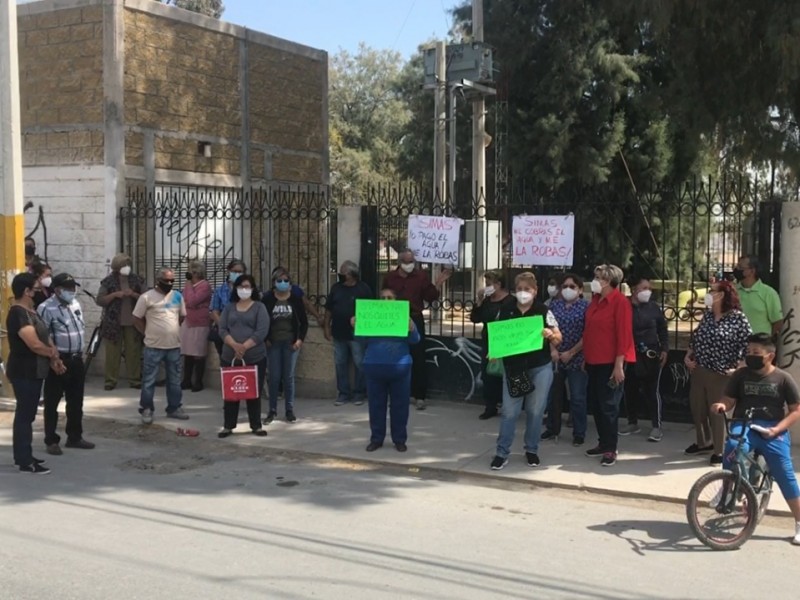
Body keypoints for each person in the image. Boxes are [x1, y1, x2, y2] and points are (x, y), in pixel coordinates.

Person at [711, 333, 800, 545]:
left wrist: (778, 429)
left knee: (784, 472)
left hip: (772, 429)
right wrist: (722, 405)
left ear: (770, 355)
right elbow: (729, 399)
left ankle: (798, 521)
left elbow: (796, 410)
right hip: (745, 424)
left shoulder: (783, 378)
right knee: (732, 446)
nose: (750, 356)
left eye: (756, 353)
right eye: (749, 352)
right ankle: (727, 489)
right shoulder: (741, 375)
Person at [489, 272, 562, 470]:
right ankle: (502, 452)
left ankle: (531, 450)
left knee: (535, 411)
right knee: (509, 412)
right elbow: (497, 335)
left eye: (527, 289)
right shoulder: (506, 309)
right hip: (514, 368)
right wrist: (494, 352)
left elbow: (558, 337)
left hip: (540, 367)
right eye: (519, 289)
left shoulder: (543, 310)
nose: (523, 293)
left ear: (535, 291)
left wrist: (550, 335)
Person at [684, 280, 751, 465]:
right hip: (700, 369)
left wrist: (739, 367)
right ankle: (703, 442)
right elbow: (697, 337)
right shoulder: (707, 315)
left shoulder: (738, 318)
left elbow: (748, 344)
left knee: (718, 412)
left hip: (722, 374)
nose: (708, 293)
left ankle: (719, 450)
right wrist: (689, 354)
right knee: (698, 408)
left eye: (712, 291)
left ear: (722, 295)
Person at [5, 272, 63, 474]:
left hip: (36, 370)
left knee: (28, 414)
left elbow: (44, 338)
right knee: (25, 414)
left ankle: (24, 454)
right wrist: (50, 353)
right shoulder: (18, 313)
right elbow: (34, 344)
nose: (39, 292)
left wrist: (54, 357)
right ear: (26, 292)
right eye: (36, 290)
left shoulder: (31, 312)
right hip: (24, 371)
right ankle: (23, 459)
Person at [382, 249, 452, 410]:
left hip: (414, 318)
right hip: (395, 318)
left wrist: (438, 284)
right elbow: (383, 296)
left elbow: (430, 296)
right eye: (406, 261)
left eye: (412, 261)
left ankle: (419, 395)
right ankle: (397, 394)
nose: (409, 264)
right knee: (395, 356)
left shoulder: (420, 276)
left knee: (418, 356)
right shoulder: (390, 278)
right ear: (400, 263)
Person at [582, 264, 636, 467]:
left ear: (608, 281)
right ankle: (602, 443)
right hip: (594, 360)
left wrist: (619, 364)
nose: (594, 280)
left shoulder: (620, 302)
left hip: (611, 362)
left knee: (609, 406)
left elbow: (623, 335)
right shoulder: (596, 300)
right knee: (596, 404)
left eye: (598, 277)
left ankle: (611, 448)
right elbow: (589, 331)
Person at [37, 273, 95, 456]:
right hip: (58, 360)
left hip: (76, 359)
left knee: (76, 401)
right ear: (57, 290)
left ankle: (75, 436)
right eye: (67, 288)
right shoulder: (46, 308)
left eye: (73, 288)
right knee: (52, 402)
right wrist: (54, 359)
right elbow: (44, 336)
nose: (72, 291)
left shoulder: (75, 304)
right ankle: (51, 440)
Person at [358, 287, 421, 452]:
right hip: (374, 367)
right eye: (383, 298)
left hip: (400, 368)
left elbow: (416, 340)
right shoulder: (372, 316)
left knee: (400, 406)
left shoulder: (404, 318)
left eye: (390, 298)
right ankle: (376, 439)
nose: (386, 301)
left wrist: (412, 328)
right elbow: (360, 338)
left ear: (396, 300)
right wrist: (356, 324)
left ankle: (399, 439)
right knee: (376, 406)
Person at [132, 267, 188, 424]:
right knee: (149, 380)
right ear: (158, 281)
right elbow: (136, 318)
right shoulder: (146, 298)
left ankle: (174, 407)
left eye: (172, 281)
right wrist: (147, 333)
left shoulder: (177, 296)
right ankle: (147, 408)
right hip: (153, 346)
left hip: (173, 346)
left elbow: (182, 317)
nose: (169, 283)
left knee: (175, 380)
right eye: (166, 281)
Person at [218, 274, 270, 438]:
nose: (244, 290)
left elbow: (261, 331)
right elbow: (222, 329)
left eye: (247, 287)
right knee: (231, 392)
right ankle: (228, 426)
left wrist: (244, 347)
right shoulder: (229, 307)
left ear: (253, 289)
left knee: (253, 391)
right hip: (230, 357)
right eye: (241, 287)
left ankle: (256, 425)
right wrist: (234, 345)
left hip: (254, 357)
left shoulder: (259, 307)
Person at [619, 276, 669, 442]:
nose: (647, 291)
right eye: (643, 288)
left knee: (652, 391)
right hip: (630, 354)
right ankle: (632, 422)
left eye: (649, 288)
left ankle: (656, 426)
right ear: (634, 289)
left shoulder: (653, 307)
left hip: (650, 353)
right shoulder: (625, 306)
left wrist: (664, 349)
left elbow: (662, 329)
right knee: (630, 389)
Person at [542, 272, 589, 446]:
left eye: (572, 287)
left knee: (577, 397)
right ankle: (552, 428)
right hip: (556, 357)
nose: (568, 290)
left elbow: (588, 334)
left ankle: (579, 433)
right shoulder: (554, 306)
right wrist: (553, 349)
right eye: (565, 287)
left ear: (580, 289)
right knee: (554, 396)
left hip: (577, 358)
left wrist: (572, 352)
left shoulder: (586, 307)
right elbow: (548, 329)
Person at [323, 260, 373, 406]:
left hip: (357, 333)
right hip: (339, 332)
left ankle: (359, 393)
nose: (340, 275)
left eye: (343, 273)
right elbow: (329, 309)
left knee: (359, 363)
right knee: (340, 363)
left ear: (351, 275)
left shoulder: (363, 289)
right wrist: (327, 327)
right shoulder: (336, 288)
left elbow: (370, 310)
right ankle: (343, 393)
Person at [263, 268, 308, 423]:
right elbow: (262, 321)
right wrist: (266, 339)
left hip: (291, 343)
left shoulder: (295, 299)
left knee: (288, 377)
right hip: (273, 343)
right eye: (279, 280)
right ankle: (272, 410)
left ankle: (289, 409)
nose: (283, 283)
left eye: (286, 280)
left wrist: (299, 340)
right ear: (274, 282)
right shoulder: (268, 300)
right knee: (274, 377)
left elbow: (304, 322)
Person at [469, 270, 515, 419]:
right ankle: (490, 406)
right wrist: (479, 300)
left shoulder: (510, 301)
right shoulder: (488, 301)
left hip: (505, 342)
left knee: (506, 372)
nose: (486, 287)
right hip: (489, 341)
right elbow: (475, 318)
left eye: (489, 284)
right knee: (488, 373)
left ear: (498, 284)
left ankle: (508, 403)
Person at [97, 254, 144, 390]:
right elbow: (100, 300)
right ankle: (110, 381)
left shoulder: (137, 280)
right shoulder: (108, 281)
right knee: (112, 353)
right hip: (113, 323)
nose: (127, 268)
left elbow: (147, 297)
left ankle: (135, 380)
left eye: (128, 265)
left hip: (133, 322)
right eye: (124, 265)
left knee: (133, 352)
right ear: (117, 267)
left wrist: (134, 294)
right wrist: (114, 295)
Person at [180, 260, 212, 392]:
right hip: (188, 321)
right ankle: (186, 380)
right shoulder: (188, 286)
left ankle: (198, 381)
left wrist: (188, 287)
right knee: (188, 352)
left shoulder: (204, 286)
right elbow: (183, 300)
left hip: (200, 322)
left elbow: (192, 301)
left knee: (198, 352)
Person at [734, 255, 783, 337]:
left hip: (759, 346)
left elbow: (778, 321)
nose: (736, 269)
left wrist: (766, 339)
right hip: (736, 343)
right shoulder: (733, 291)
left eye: (740, 267)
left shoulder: (768, 293)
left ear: (752, 271)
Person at [210, 259, 247, 357]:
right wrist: (223, 327)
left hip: (243, 332)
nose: (237, 274)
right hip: (224, 333)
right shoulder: (220, 291)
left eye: (240, 272)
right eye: (235, 271)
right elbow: (214, 312)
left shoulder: (247, 290)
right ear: (229, 271)